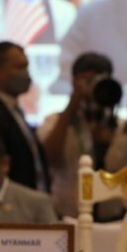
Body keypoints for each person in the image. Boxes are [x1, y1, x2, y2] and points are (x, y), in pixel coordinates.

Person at [37, 52, 121, 217]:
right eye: (87, 81)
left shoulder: (120, 125)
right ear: (74, 81)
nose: (92, 87)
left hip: (110, 215)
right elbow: (48, 159)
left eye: (99, 81)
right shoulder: (55, 121)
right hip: (67, 213)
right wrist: (71, 107)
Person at [0, 42, 49, 193]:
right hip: (12, 209)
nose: (26, 74)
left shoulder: (14, 110)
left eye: (26, 67)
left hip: (31, 204)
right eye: (19, 67)